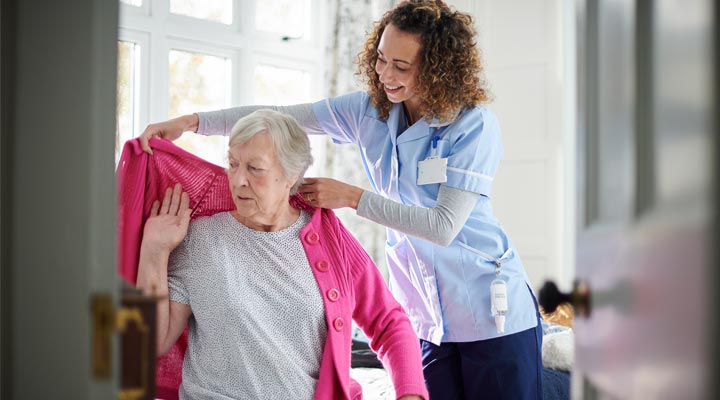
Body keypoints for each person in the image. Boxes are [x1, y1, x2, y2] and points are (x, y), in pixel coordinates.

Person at [139, 1, 543, 398]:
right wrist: (192, 122)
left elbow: (442, 227)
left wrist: (351, 197)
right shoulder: (370, 111)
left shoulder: (472, 125)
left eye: (401, 67)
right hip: (428, 314)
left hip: (489, 306)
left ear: (438, 70)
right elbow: (280, 115)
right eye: (381, 59)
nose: (384, 74)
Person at [135, 110, 428, 400]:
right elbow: (151, 343)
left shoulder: (328, 238)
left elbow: (388, 321)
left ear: (291, 176)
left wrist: (410, 395)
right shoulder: (199, 238)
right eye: (233, 164)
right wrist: (154, 251)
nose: (238, 180)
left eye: (255, 168)